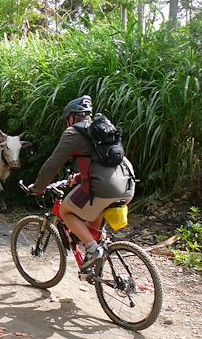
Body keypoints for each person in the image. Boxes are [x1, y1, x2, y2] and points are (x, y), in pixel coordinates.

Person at [28, 95, 135, 272]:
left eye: (66, 119)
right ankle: (93, 262)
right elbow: (101, 162)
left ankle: (94, 251)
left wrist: (38, 187)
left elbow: (53, 164)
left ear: (72, 117)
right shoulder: (101, 130)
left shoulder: (73, 132)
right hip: (127, 185)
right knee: (93, 215)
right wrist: (78, 178)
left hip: (102, 189)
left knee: (65, 210)